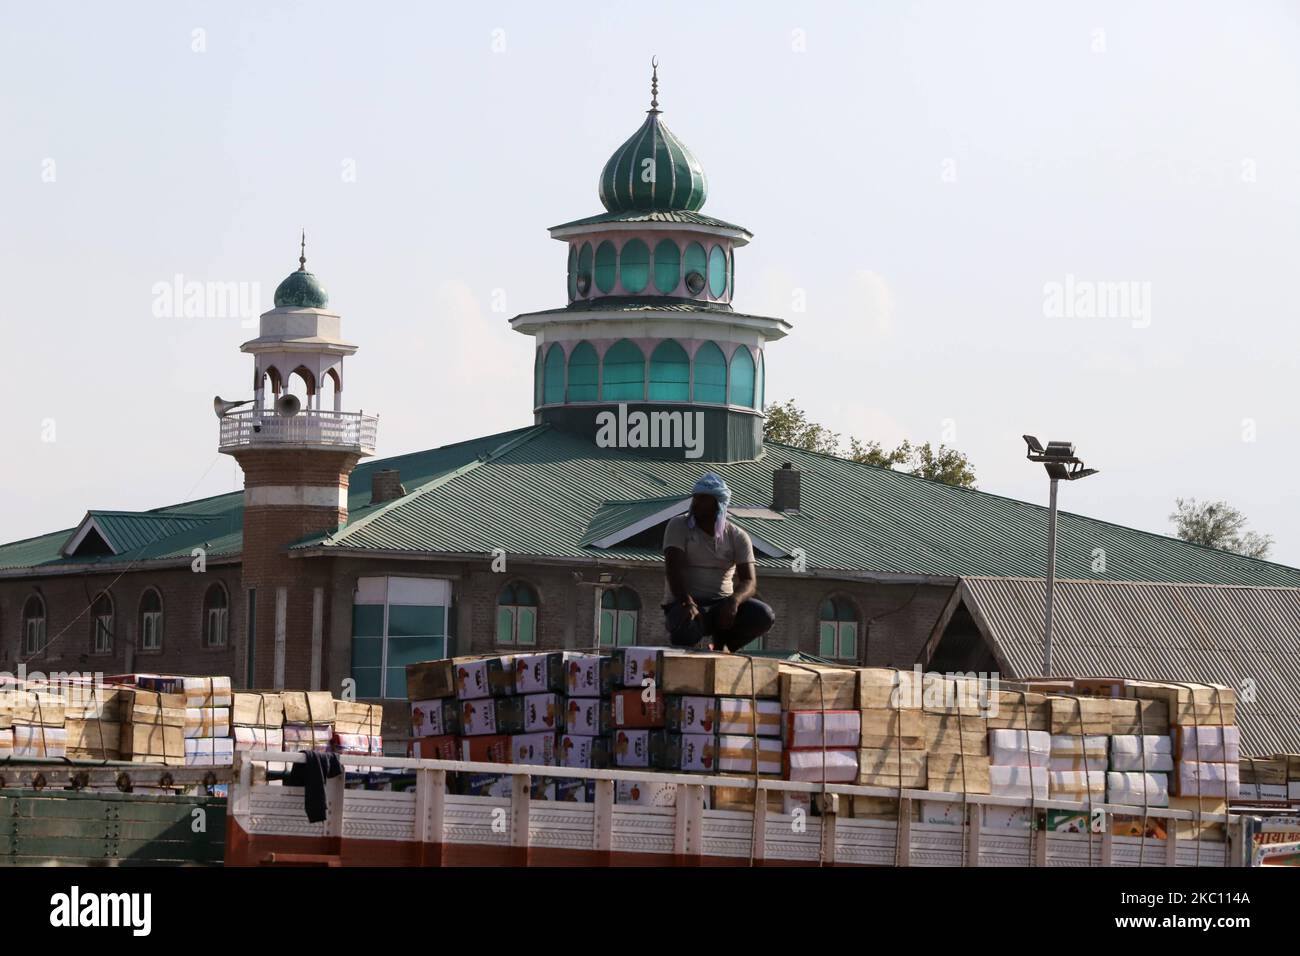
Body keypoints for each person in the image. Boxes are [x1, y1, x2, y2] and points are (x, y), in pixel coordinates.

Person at [662, 472, 776, 652]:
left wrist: (734, 602)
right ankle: (684, 660)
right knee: (685, 626)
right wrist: (688, 603)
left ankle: (722, 648)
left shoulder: (737, 536)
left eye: (703, 499)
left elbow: (749, 581)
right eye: (695, 498)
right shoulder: (678, 526)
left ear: (718, 504)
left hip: (722, 604)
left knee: (764, 615)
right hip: (687, 602)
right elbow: (673, 570)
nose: (696, 503)